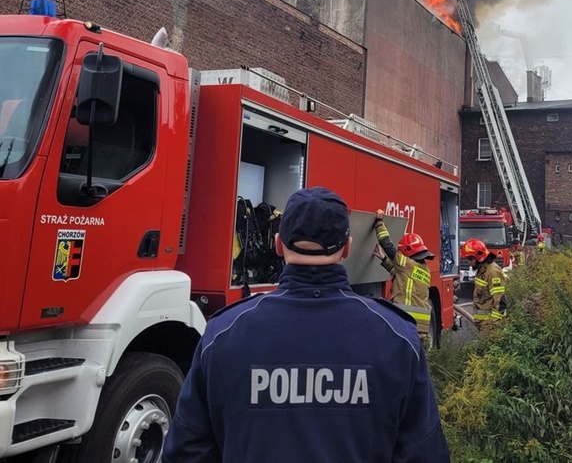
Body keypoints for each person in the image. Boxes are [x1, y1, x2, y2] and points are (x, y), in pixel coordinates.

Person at [163, 187, 450, 463]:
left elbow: (186, 451)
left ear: (278, 244)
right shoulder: (398, 338)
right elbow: (424, 453)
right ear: (347, 249)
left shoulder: (222, 334)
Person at [372, 209, 435, 340]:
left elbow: (387, 244)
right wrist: (384, 260)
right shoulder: (424, 269)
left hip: (406, 323)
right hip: (420, 327)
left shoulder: (407, 263)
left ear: (407, 251)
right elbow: (400, 277)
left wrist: (379, 222)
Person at [459, 238, 505, 326]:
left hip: (490, 326)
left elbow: (500, 301)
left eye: (470, 259)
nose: (468, 263)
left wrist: (495, 325)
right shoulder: (482, 271)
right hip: (483, 324)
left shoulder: (493, 272)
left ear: (479, 257)